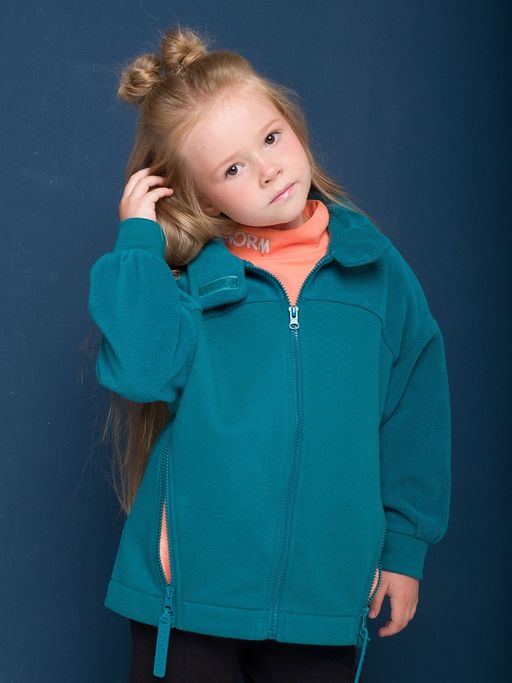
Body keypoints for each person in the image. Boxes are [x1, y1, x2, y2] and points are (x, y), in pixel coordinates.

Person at [87, 24, 452, 683]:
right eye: (232, 168)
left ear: (292, 124)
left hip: (323, 599)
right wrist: (138, 243)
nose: (267, 168)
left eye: (271, 137)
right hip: (189, 598)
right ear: (201, 196)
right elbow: (140, 371)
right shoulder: (193, 278)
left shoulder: (374, 270)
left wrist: (404, 548)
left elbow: (414, 408)